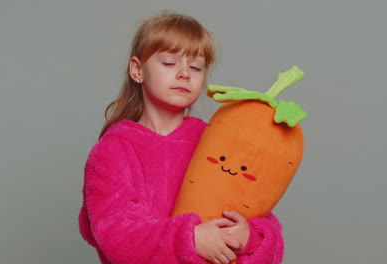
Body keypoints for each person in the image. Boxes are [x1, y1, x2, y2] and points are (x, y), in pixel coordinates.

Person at [78, 11, 284, 264]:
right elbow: (116, 236)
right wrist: (190, 239)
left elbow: (258, 212)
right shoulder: (113, 150)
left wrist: (249, 237)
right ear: (137, 70)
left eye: (195, 67)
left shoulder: (217, 139)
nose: (184, 73)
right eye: (169, 63)